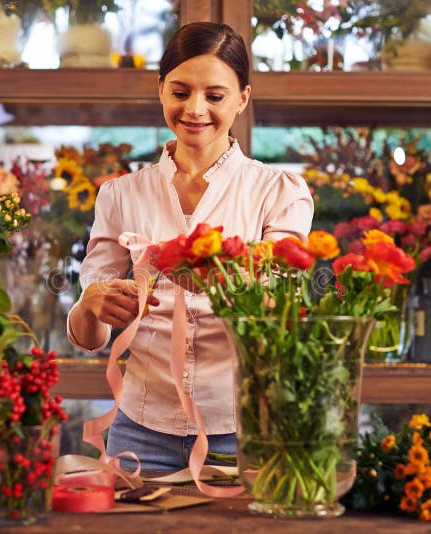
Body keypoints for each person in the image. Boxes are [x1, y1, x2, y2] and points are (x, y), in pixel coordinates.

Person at [66, 22, 313, 471]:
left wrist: (224, 278)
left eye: (215, 96)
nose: (195, 109)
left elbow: (281, 318)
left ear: (242, 98)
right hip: (139, 427)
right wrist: (90, 303)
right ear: (160, 90)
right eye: (180, 92)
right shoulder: (121, 195)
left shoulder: (279, 192)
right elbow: (90, 338)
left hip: (244, 427)